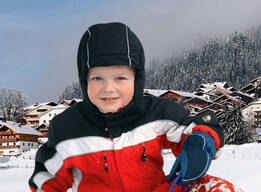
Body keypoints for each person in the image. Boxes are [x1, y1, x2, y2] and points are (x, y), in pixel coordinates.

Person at [28, 22, 241, 192]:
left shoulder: (155, 114)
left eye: (120, 78)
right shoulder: (68, 129)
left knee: (217, 188)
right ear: (84, 82)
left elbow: (194, 126)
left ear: (136, 80)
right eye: (98, 78)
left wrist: (198, 143)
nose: (108, 88)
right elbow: (46, 177)